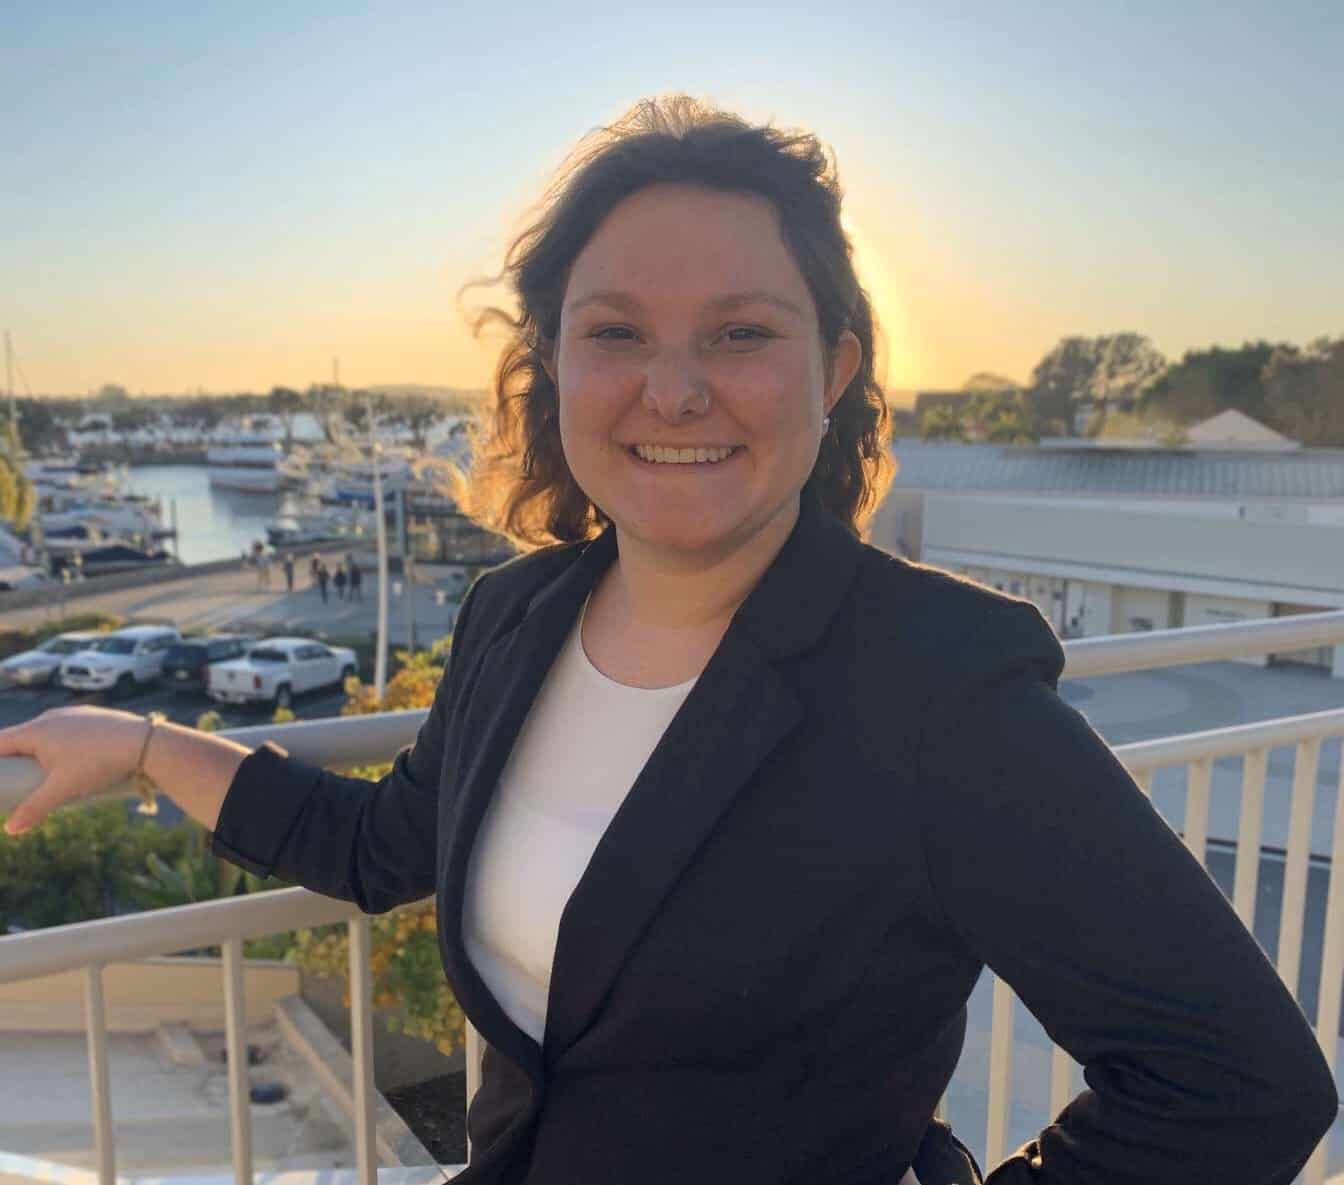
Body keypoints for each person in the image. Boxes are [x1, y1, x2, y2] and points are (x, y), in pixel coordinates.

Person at [0, 97, 1335, 1185]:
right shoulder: (514, 619)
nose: (675, 386)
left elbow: (1237, 1085)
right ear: (556, 365)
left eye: (742, 334)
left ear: (838, 369)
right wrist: (136, 740)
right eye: (618, 333)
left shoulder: (936, 686)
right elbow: (379, 846)